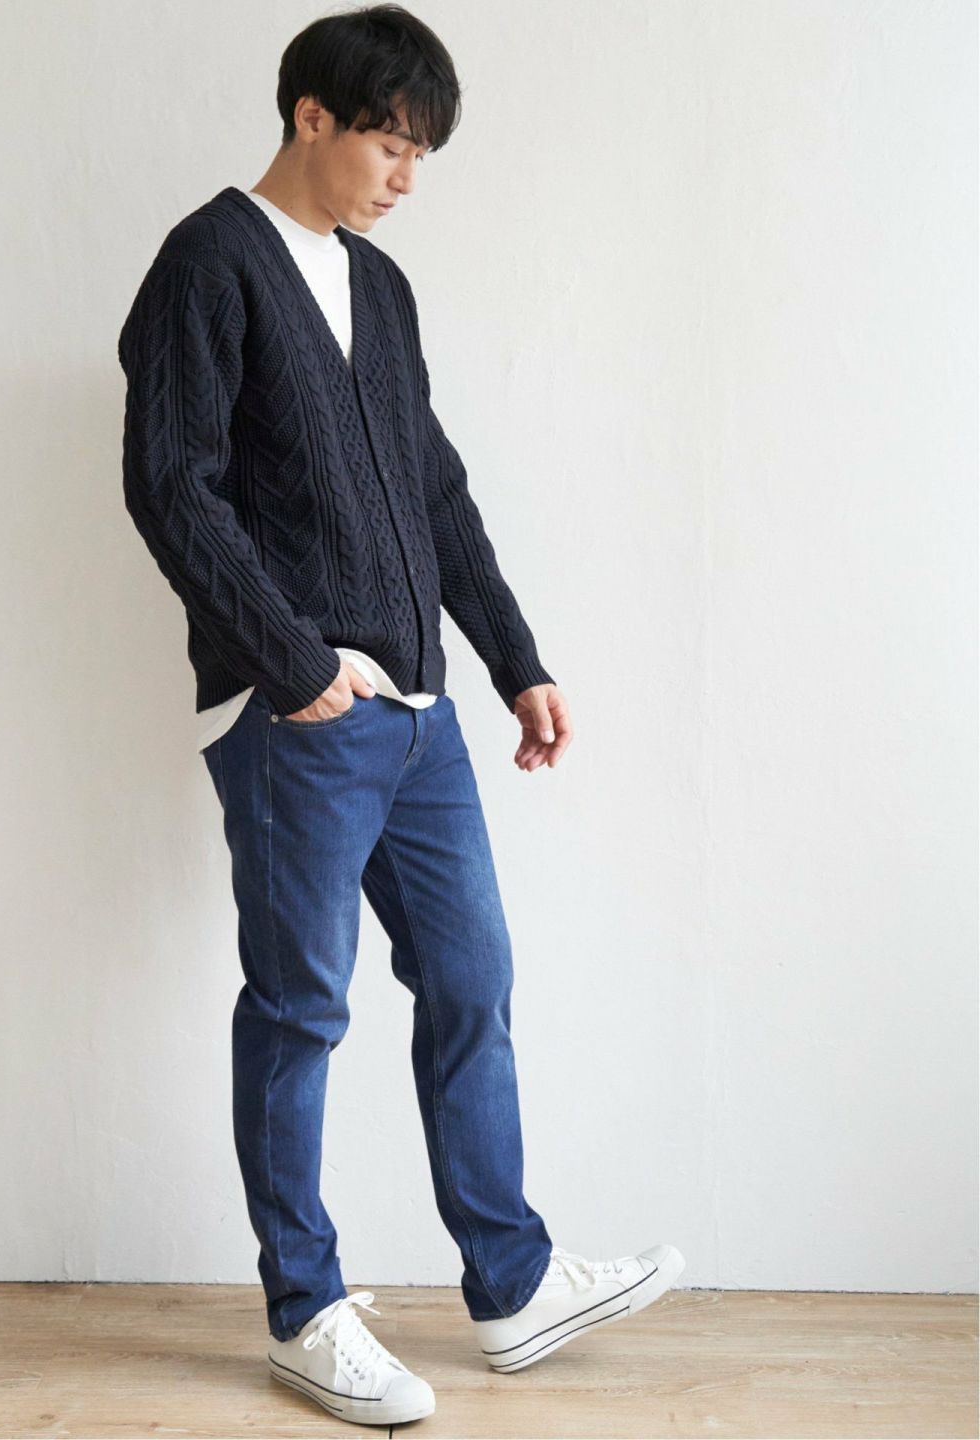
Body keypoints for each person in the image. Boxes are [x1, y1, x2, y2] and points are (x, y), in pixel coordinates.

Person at [118, 4, 684, 1426]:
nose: (407, 177)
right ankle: (305, 1312)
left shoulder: (380, 286)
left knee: (473, 978)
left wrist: (514, 660)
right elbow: (170, 483)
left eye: (423, 151)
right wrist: (298, 664)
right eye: (390, 142)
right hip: (302, 716)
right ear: (311, 115)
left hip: (421, 718)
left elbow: (436, 491)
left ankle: (511, 1285)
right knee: (302, 1007)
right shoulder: (208, 263)